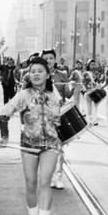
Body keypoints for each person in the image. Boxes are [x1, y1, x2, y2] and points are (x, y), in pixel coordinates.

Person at [0, 57, 61, 215]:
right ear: (28, 75)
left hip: (51, 145)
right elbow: (4, 112)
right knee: (31, 183)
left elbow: (63, 122)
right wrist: (4, 137)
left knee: (45, 182)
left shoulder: (55, 96)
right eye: (33, 71)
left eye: (40, 71)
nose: (36, 74)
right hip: (29, 145)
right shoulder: (23, 95)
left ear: (48, 74)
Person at [41, 49, 70, 190]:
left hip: (58, 115)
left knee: (58, 148)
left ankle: (58, 177)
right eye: (45, 58)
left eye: (51, 58)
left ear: (55, 59)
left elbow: (67, 93)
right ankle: (48, 176)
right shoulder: (37, 75)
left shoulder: (62, 75)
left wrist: (74, 88)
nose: (48, 60)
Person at [82, 59, 102, 126]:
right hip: (88, 91)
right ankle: (89, 120)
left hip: (95, 91)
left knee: (95, 106)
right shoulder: (85, 74)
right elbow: (83, 83)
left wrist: (99, 82)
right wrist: (85, 89)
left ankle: (94, 120)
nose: (93, 66)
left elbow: (99, 82)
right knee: (88, 106)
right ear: (88, 65)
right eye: (91, 64)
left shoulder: (96, 73)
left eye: (94, 64)